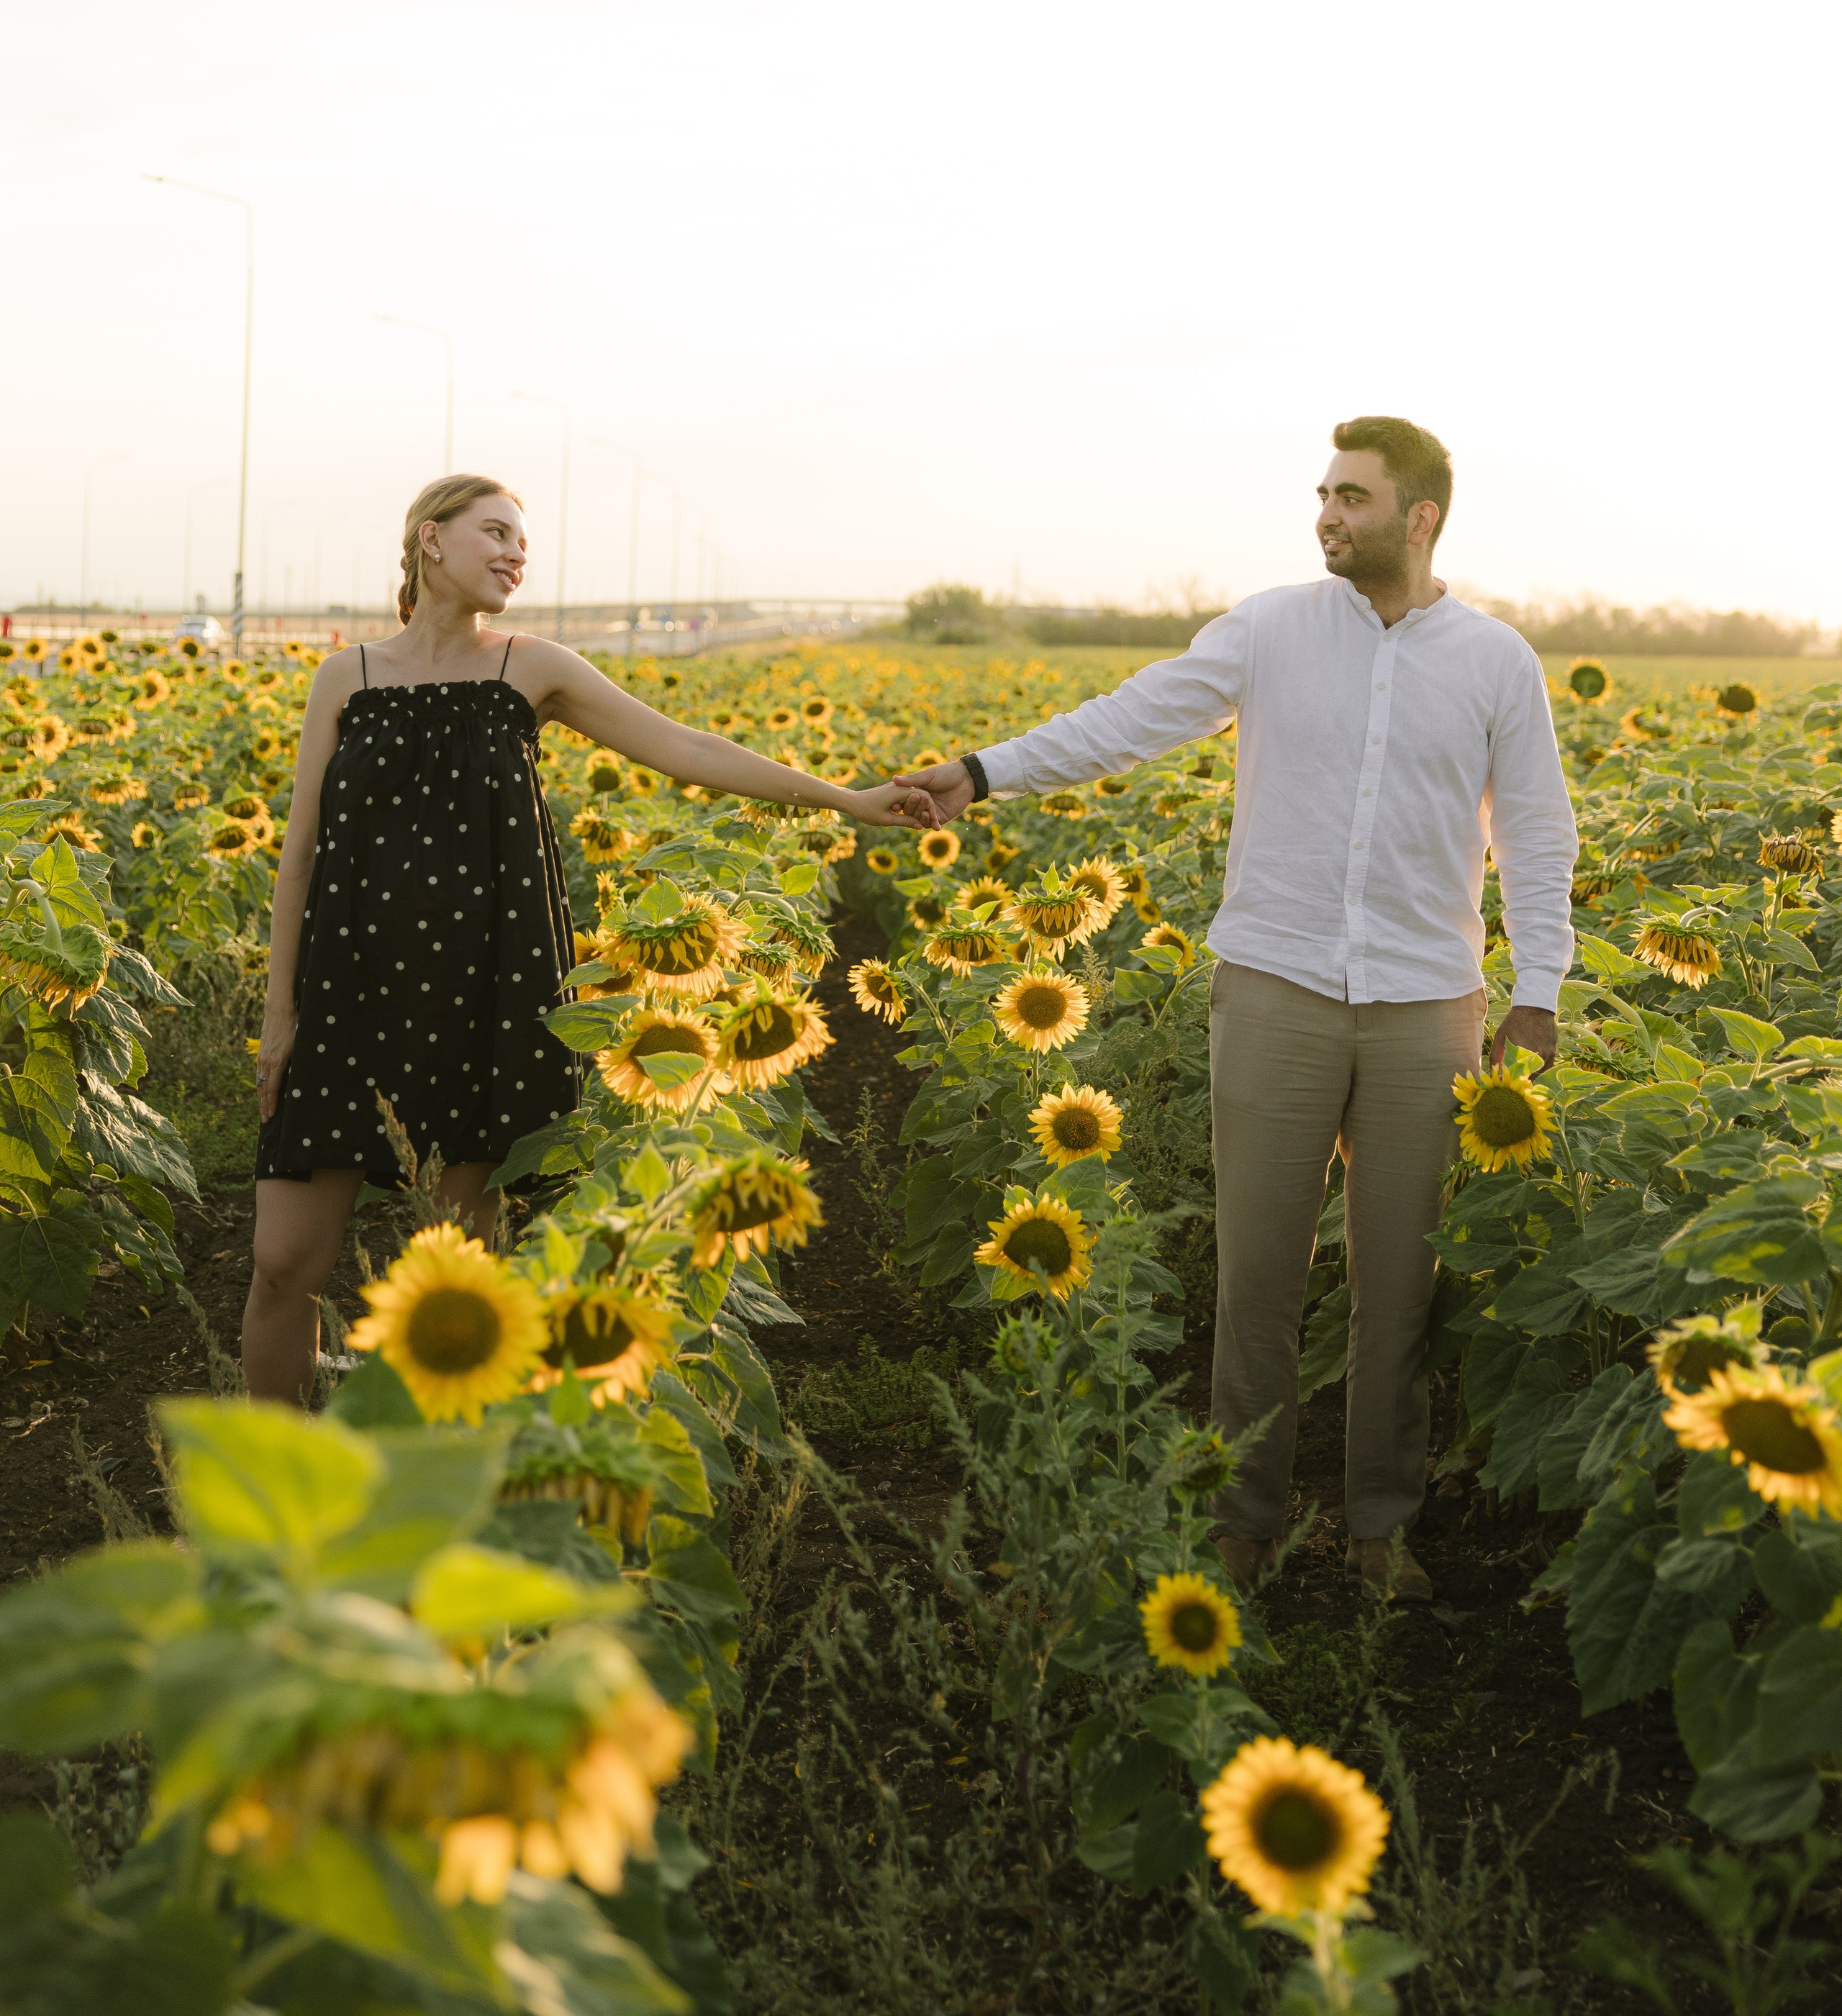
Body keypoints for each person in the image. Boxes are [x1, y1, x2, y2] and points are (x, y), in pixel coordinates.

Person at [897, 415, 1576, 1601]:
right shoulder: (1269, 630)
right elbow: (1130, 719)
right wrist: (985, 771)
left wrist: (1539, 993)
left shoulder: (1495, 662)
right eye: (1323, 494)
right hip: (1275, 987)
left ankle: (1380, 1530)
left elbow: (1535, 831)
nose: (1328, 514)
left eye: (1353, 497)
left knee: (1399, 1286)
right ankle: (1241, 1524)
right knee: (1257, 1276)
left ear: (1419, 517)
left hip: (1430, 1006)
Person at [245, 473, 937, 1404]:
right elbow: (300, 853)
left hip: (481, 1003)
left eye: (523, 543)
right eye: (496, 533)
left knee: (455, 1281)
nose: (516, 555)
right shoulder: (348, 676)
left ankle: (435, 1469)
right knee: (282, 1265)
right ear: (430, 539)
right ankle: (272, 1473)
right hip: (349, 998)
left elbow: (687, 749)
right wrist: (280, 1013)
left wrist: (846, 800)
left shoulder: (530, 668)